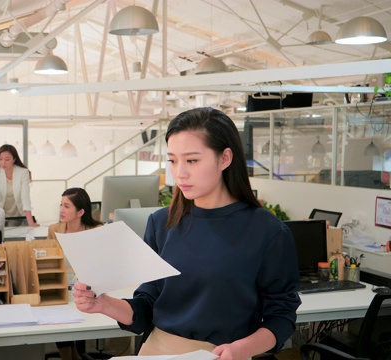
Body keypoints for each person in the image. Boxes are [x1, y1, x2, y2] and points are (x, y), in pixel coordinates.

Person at [72, 107, 301, 360]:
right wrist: (104, 304)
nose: (179, 173)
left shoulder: (267, 231)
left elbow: (281, 316)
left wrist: (243, 348)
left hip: (225, 355)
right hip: (157, 352)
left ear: (224, 158)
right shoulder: (161, 223)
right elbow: (147, 307)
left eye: (191, 160)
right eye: (172, 160)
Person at [48, 187, 102, 360]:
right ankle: (70, 356)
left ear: (81, 212)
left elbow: (101, 263)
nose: (61, 210)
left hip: (89, 290)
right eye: (61, 205)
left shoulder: (96, 230)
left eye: (66, 206)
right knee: (57, 313)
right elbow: (49, 263)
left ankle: (73, 356)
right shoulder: (54, 229)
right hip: (62, 289)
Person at [0, 144, 38, 227]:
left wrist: (31, 223)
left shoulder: (23, 172)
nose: (3, 163)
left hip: (19, 215)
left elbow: (25, 198)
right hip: (2, 216)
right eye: (0, 159)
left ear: (14, 159)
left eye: (7, 159)